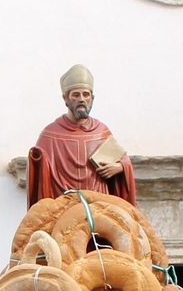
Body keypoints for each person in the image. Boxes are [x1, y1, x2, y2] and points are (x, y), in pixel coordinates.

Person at [25, 64, 136, 206]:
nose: (81, 99)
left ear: (92, 98)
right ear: (65, 99)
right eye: (76, 95)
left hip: (98, 206)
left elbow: (123, 160)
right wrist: (37, 160)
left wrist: (121, 166)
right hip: (63, 207)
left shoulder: (101, 131)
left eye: (86, 94)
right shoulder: (50, 134)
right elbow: (39, 178)